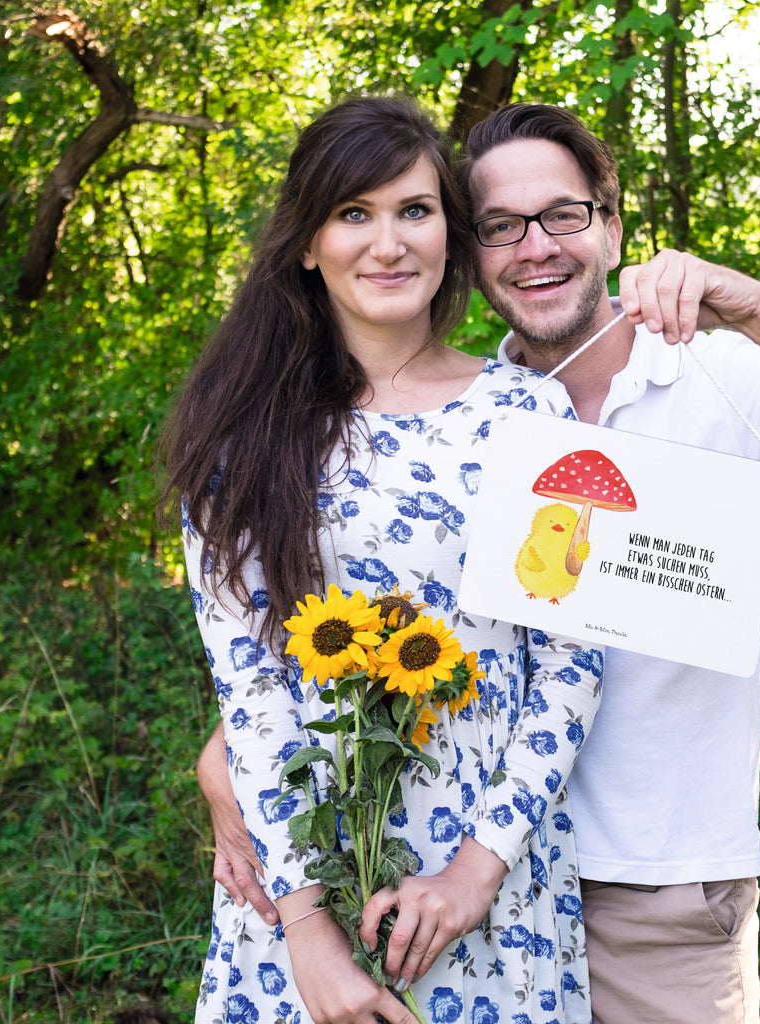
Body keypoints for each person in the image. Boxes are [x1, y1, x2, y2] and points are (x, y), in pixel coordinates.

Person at [200, 102, 760, 1024]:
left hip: (646, 887)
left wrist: (757, 306)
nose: (535, 247)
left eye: (563, 215)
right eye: (500, 226)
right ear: (472, 250)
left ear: (610, 225)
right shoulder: (452, 418)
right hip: (412, 874)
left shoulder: (707, 374)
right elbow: (325, 635)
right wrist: (233, 772)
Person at [161, 96, 606, 1024]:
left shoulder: (531, 417)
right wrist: (309, 937)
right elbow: (251, 691)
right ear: (307, 244)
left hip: (490, 886)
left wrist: (477, 873)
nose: (389, 243)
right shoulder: (242, 437)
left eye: (415, 210)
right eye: (353, 214)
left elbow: (572, 660)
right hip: (300, 885)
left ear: (450, 230)